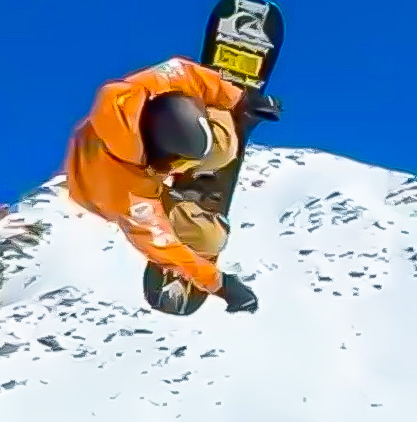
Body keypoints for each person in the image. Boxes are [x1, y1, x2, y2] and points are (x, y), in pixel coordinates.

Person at [63, 55, 282, 312]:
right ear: (163, 164)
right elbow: (166, 247)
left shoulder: (137, 91)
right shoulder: (128, 198)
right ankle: (182, 203)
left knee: (223, 145)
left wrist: (238, 98)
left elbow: (182, 72)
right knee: (210, 239)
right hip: (110, 186)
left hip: (135, 154)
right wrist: (221, 284)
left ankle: (212, 134)